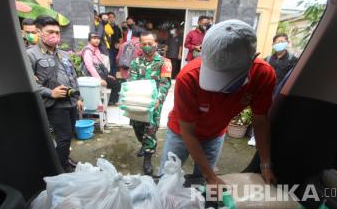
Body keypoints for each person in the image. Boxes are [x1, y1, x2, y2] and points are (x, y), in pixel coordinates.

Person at [159, 19, 277, 186]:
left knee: (205, 184)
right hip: (181, 132)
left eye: (229, 77)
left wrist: (265, 163)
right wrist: (210, 176)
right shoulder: (189, 77)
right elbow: (188, 130)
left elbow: (261, 120)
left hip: (214, 134)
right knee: (167, 179)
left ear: (253, 59)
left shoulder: (263, 75)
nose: (220, 89)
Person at [27, 16, 84, 172]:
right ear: (39, 32)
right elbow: (29, 84)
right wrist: (51, 93)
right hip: (54, 105)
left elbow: (73, 77)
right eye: (50, 32)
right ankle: (60, 167)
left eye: (57, 32)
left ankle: (64, 157)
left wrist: (78, 97)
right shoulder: (31, 55)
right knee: (64, 137)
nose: (55, 36)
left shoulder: (64, 55)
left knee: (69, 134)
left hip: (70, 102)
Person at [129, 31, 172, 175]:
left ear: (156, 44)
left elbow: (165, 83)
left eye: (150, 44)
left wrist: (158, 99)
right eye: (144, 44)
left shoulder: (165, 63)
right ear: (140, 45)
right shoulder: (135, 62)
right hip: (138, 102)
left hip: (154, 104)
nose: (147, 46)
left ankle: (147, 158)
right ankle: (144, 143)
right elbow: (131, 82)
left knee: (150, 130)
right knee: (137, 127)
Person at [247, 33, 298, 147]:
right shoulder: (268, 59)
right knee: (260, 114)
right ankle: (254, 137)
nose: (280, 44)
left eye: (282, 41)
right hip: (266, 92)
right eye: (277, 42)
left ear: (287, 43)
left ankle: (269, 139)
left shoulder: (293, 60)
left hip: (280, 93)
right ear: (273, 44)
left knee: (274, 117)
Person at [81, 32, 121, 105]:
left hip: (100, 75)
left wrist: (107, 76)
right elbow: (90, 67)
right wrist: (99, 80)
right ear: (89, 40)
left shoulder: (96, 49)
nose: (97, 40)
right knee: (116, 85)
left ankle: (109, 102)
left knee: (116, 83)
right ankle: (108, 103)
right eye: (94, 38)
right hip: (92, 78)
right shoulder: (88, 51)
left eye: (98, 38)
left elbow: (100, 65)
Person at [107, 12, 123, 77]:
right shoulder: (105, 27)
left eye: (113, 17)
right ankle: (109, 77)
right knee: (109, 63)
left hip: (116, 49)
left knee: (115, 64)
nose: (111, 19)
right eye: (110, 17)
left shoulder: (117, 28)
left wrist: (119, 44)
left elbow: (120, 37)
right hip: (108, 49)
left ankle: (113, 77)